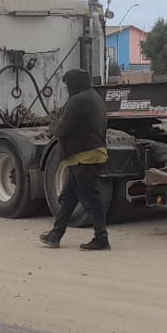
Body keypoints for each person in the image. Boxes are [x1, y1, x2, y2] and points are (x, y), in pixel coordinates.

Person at [38, 68, 110, 251]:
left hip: (83, 157)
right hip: (89, 155)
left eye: (67, 84)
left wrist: (53, 129)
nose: (67, 88)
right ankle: (55, 235)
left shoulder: (77, 100)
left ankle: (101, 239)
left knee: (91, 199)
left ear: (74, 83)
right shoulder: (94, 97)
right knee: (68, 198)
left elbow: (63, 128)